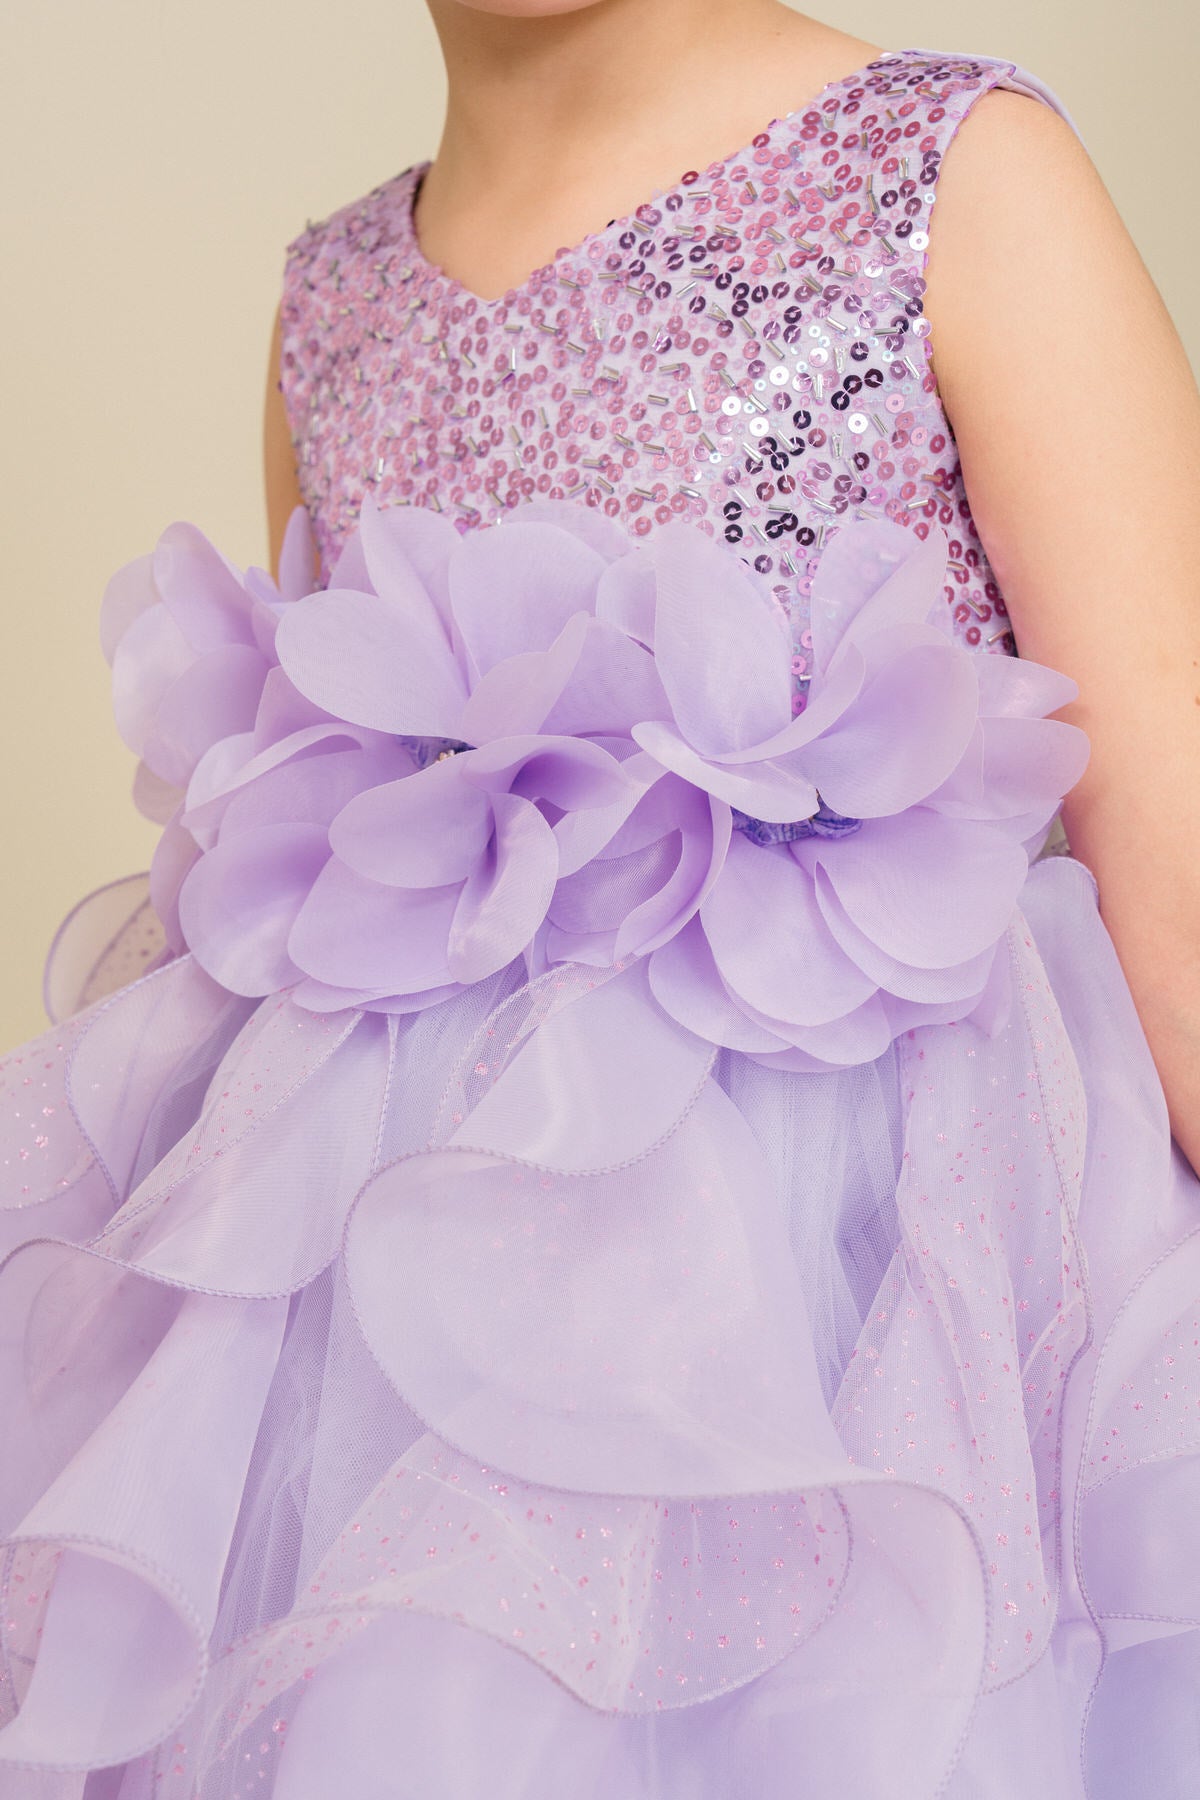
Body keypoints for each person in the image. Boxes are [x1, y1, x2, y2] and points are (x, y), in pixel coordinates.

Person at [1, 2, 1197, 1795]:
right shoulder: (335, 302)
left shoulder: (950, 177)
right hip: (408, 1388)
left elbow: (1175, 871)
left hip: (868, 1365)